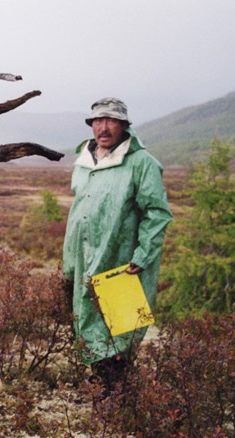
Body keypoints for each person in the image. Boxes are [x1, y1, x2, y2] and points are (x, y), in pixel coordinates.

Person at [62, 97, 173, 391]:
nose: (104, 127)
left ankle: (115, 401)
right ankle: (104, 391)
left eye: (111, 120)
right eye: (98, 121)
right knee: (87, 323)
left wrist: (143, 254)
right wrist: (69, 262)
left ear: (124, 125)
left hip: (122, 262)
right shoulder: (83, 161)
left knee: (120, 331)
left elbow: (157, 213)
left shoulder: (142, 163)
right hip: (82, 259)